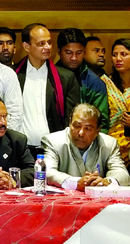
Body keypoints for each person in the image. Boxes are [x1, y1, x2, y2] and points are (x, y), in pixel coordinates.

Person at [14, 23, 80, 156]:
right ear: (27, 46)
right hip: (21, 150)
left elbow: (71, 117)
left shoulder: (65, 78)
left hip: (54, 150)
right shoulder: (12, 75)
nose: (47, 47)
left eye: (49, 43)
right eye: (41, 44)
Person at [41, 103, 130, 191]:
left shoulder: (108, 144)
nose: (81, 133)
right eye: (76, 126)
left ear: (97, 130)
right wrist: (76, 183)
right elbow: (47, 172)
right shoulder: (53, 141)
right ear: (70, 123)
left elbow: (123, 175)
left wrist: (107, 182)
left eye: (88, 128)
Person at [55, 28, 110, 132]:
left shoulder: (95, 83)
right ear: (59, 51)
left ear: (84, 52)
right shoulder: (49, 76)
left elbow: (101, 124)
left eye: (79, 53)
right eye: (69, 52)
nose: (74, 58)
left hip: (84, 139)